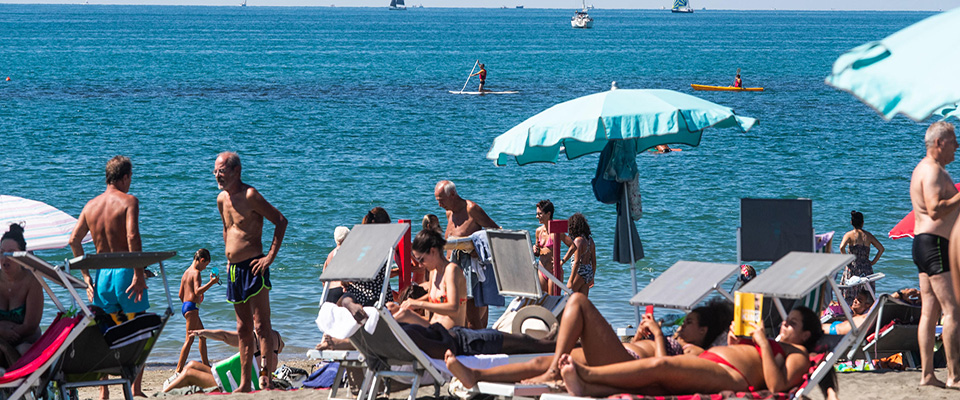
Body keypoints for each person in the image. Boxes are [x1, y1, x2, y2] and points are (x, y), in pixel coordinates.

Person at [444, 296, 733, 389]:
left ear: (705, 331)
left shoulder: (696, 351)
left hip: (630, 366)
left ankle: (556, 371)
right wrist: (639, 337)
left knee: (579, 302)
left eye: (690, 323)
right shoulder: (680, 338)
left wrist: (658, 336)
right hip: (623, 355)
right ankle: (476, 376)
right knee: (537, 362)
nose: (683, 326)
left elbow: (664, 369)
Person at [552, 306, 822, 397]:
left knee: (662, 368)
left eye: (793, 322)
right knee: (655, 384)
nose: (785, 323)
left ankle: (589, 373)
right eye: (787, 319)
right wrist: (736, 343)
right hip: (713, 362)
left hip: (730, 374)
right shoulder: (778, 344)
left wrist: (762, 342)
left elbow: (777, 387)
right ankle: (586, 386)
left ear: (806, 335)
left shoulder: (798, 353)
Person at [68, 155, 148, 398]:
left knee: (104, 334)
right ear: (124, 178)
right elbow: (132, 236)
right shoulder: (129, 201)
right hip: (125, 272)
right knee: (138, 331)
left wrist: (86, 278)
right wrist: (139, 273)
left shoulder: (90, 206)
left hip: (102, 277)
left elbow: (73, 241)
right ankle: (134, 388)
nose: (130, 183)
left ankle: (103, 392)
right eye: (130, 178)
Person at [214, 151, 288, 392]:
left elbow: (280, 220)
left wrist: (269, 257)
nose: (217, 175)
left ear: (236, 171)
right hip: (234, 270)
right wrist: (227, 260)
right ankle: (246, 383)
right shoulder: (221, 199)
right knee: (242, 329)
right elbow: (227, 228)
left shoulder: (250, 195)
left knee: (261, 326)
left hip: (254, 265)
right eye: (215, 171)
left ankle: (266, 379)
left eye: (222, 170)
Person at [911, 121, 960, 388]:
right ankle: (954, 376)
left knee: (929, 310)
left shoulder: (925, 169)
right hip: (934, 244)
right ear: (939, 143)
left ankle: (927, 374)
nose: (957, 147)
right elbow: (935, 209)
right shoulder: (932, 171)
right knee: (952, 310)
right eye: (954, 141)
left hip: (922, 243)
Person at [435, 180, 501, 330]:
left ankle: (480, 348)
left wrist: (478, 249)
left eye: (441, 200)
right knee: (458, 319)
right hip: (452, 272)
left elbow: (496, 232)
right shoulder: (449, 213)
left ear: (452, 194)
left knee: (473, 320)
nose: (439, 205)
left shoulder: (472, 209)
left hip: (470, 273)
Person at [163, 328, 284, 393]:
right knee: (192, 364)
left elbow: (225, 336)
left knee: (188, 374)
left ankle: (162, 395)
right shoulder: (276, 336)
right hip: (250, 378)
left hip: (239, 383)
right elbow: (280, 349)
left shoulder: (253, 338)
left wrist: (203, 333)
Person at [391, 229, 467, 329]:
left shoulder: (451, 270)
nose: (420, 264)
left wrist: (418, 303)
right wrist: (411, 302)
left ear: (433, 251)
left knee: (405, 315)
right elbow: (432, 295)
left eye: (421, 259)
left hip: (451, 333)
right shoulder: (433, 272)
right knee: (390, 307)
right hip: (433, 327)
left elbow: (454, 308)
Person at [0, 224, 43, 369]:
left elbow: (30, 325)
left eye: (11, 253)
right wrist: (2, 332)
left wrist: (8, 334)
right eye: (1, 252)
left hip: (25, 340)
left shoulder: (32, 281)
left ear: (22, 255)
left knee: (23, 350)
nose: (5, 258)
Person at [175, 249, 220, 374]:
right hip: (192, 308)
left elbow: (180, 294)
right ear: (201, 260)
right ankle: (178, 369)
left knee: (202, 335)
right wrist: (211, 282)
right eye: (205, 265)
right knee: (189, 339)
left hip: (186, 306)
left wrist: (190, 303)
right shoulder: (196, 273)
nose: (205, 268)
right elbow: (197, 291)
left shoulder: (186, 273)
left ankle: (206, 365)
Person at [838, 210, 884, 302]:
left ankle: (849, 313)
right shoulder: (868, 235)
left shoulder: (849, 235)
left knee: (849, 294)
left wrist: (846, 260)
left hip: (852, 267)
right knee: (866, 295)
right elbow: (881, 249)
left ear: (851, 222)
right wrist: (873, 262)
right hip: (866, 268)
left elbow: (841, 247)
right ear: (862, 223)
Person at [533, 200, 576, 295]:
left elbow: (573, 246)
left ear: (548, 214)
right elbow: (537, 252)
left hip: (554, 271)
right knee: (542, 301)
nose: (537, 217)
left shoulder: (557, 231)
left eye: (540, 214)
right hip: (541, 270)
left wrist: (562, 261)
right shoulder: (538, 231)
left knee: (553, 301)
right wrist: (535, 250)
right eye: (537, 214)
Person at [566, 213, 596, 296]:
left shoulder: (578, 241)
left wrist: (570, 281)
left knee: (566, 298)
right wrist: (592, 276)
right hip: (588, 272)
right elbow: (594, 262)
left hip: (580, 272)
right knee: (581, 300)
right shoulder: (590, 240)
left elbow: (577, 262)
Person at [321, 226, 349, 303]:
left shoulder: (330, 255)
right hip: (342, 290)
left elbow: (324, 278)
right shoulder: (347, 253)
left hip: (329, 291)